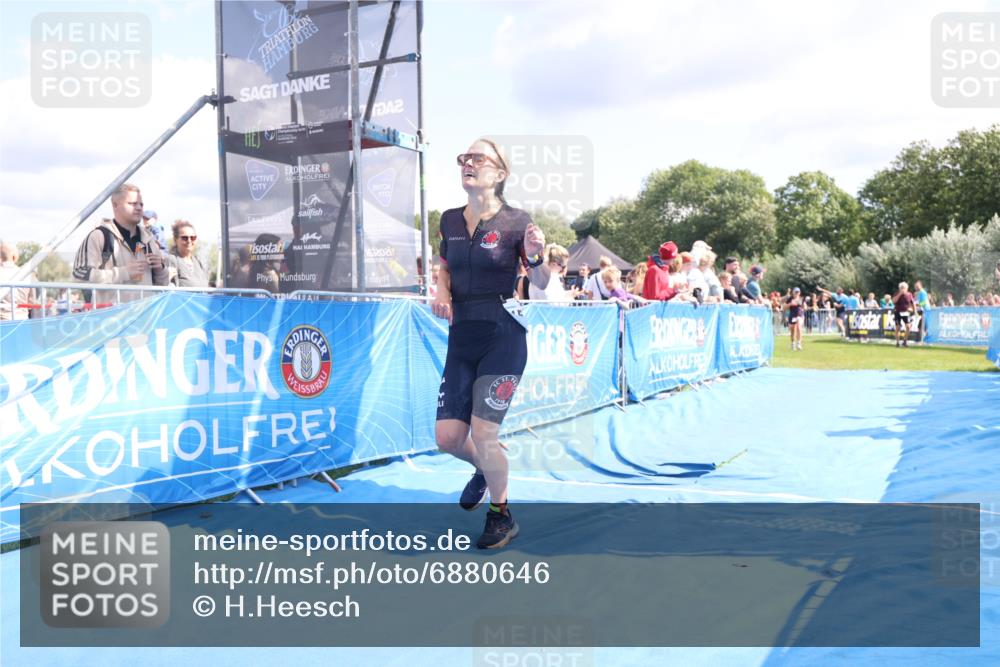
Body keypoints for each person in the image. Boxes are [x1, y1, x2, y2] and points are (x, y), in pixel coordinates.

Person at [432, 138, 549, 549]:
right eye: (464, 157)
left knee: (484, 433)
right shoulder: (448, 219)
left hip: (502, 333)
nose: (468, 163)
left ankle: (501, 515)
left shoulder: (517, 221)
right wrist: (441, 290)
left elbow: (540, 283)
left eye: (479, 158)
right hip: (461, 336)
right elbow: (443, 266)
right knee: (447, 438)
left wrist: (535, 258)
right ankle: (486, 469)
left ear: (499, 174)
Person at [72, 183, 168, 303]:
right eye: (132, 203)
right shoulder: (99, 236)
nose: (139, 208)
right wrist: (123, 273)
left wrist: (161, 270)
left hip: (145, 318)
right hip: (112, 319)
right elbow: (79, 276)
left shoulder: (148, 240)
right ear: (115, 205)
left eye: (141, 204)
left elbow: (162, 285)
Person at [166, 220, 210, 287]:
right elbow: (170, 290)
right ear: (175, 239)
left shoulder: (198, 261)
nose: (189, 241)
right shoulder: (172, 260)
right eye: (184, 238)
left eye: (193, 238)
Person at [0, 242, 35, 321]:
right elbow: (32, 302)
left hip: (2, 322)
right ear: (14, 256)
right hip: (22, 321)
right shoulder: (27, 275)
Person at [892, 281, 915, 347]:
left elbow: (912, 303)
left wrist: (913, 310)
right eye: (901, 288)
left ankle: (905, 341)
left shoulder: (909, 294)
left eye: (904, 288)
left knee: (908, 326)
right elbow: (894, 301)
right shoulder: (896, 293)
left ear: (907, 288)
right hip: (898, 312)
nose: (903, 289)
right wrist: (900, 294)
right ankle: (897, 342)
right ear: (899, 288)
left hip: (906, 312)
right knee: (898, 327)